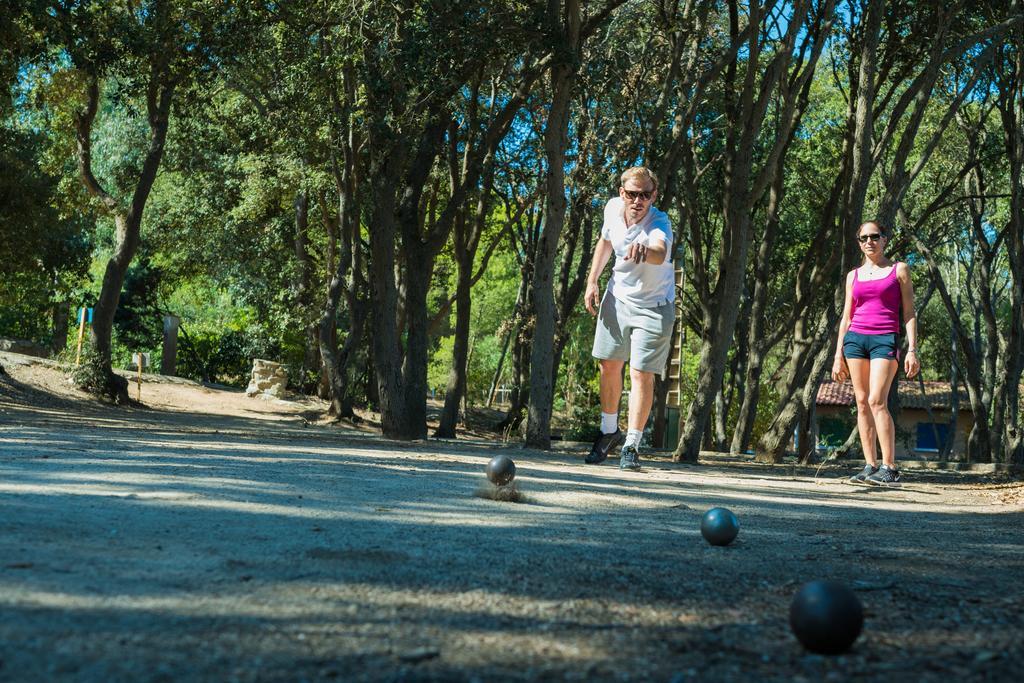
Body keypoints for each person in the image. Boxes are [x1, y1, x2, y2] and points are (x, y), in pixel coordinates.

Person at [584, 167, 675, 471]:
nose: (639, 201)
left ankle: (631, 445)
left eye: (645, 195)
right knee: (608, 364)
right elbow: (606, 241)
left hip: (654, 306)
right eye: (633, 194)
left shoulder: (659, 222)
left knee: (640, 373)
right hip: (617, 298)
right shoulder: (612, 209)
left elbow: (660, 253)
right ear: (622, 193)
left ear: (654, 196)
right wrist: (592, 280)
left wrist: (644, 250)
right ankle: (609, 432)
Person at [831, 220, 919, 485]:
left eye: (875, 236)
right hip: (855, 340)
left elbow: (910, 312)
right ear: (859, 242)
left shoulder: (898, 269)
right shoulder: (853, 276)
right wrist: (838, 355)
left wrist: (912, 349)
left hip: (885, 338)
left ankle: (889, 467)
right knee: (861, 401)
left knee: (877, 400)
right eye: (864, 238)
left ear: (884, 239)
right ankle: (870, 466)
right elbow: (846, 317)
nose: (869, 241)